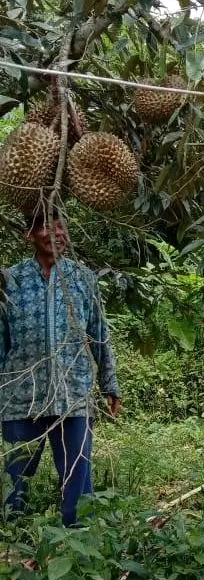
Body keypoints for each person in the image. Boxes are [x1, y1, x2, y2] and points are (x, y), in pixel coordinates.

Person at [0, 210, 121, 528]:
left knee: (78, 478)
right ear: (29, 235)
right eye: (45, 225)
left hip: (73, 394)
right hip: (20, 396)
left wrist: (111, 383)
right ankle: (11, 542)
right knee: (14, 482)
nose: (56, 232)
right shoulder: (10, 280)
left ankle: (79, 541)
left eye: (61, 225)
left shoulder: (83, 278)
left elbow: (98, 333)